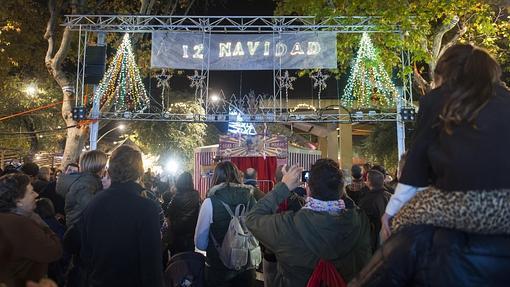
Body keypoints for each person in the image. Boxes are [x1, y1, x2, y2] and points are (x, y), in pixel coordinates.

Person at [353, 44, 510, 286]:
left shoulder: (437, 99)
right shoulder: (505, 98)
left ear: (443, 74)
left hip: (458, 200)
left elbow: (417, 162)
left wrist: (392, 213)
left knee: (402, 231)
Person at [246, 159, 372, 287]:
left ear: (308, 190)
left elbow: (251, 218)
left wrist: (283, 187)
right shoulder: (359, 221)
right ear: (341, 190)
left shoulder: (288, 226)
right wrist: (336, 187)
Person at [69, 145, 164, 287]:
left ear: (110, 171)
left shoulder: (95, 202)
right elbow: (152, 265)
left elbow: (73, 242)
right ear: (139, 172)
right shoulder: (147, 208)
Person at [195, 161, 257, 287]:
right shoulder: (251, 199)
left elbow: (200, 243)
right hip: (247, 269)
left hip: (218, 272)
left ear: (216, 177)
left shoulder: (210, 202)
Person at [0, 174, 62, 287]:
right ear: (18, 201)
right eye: (31, 192)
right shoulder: (21, 224)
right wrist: (39, 221)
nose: (36, 194)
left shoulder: (5, 218)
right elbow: (54, 250)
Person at [262, 165, 306, 287]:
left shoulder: (267, 200)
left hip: (270, 250)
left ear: (275, 179)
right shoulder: (298, 201)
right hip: (292, 254)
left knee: (269, 281)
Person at [57, 150, 108, 227]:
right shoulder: (84, 184)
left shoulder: (88, 181)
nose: (105, 169)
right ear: (100, 167)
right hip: (80, 231)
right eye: (105, 166)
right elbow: (93, 209)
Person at [163, 171, 200, 257]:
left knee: (176, 260)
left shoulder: (176, 197)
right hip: (191, 233)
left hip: (177, 235)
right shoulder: (196, 195)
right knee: (190, 257)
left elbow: (168, 213)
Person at [357, 170, 391, 252]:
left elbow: (362, 222)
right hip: (391, 236)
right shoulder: (390, 196)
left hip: (374, 240)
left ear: (368, 181)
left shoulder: (366, 201)